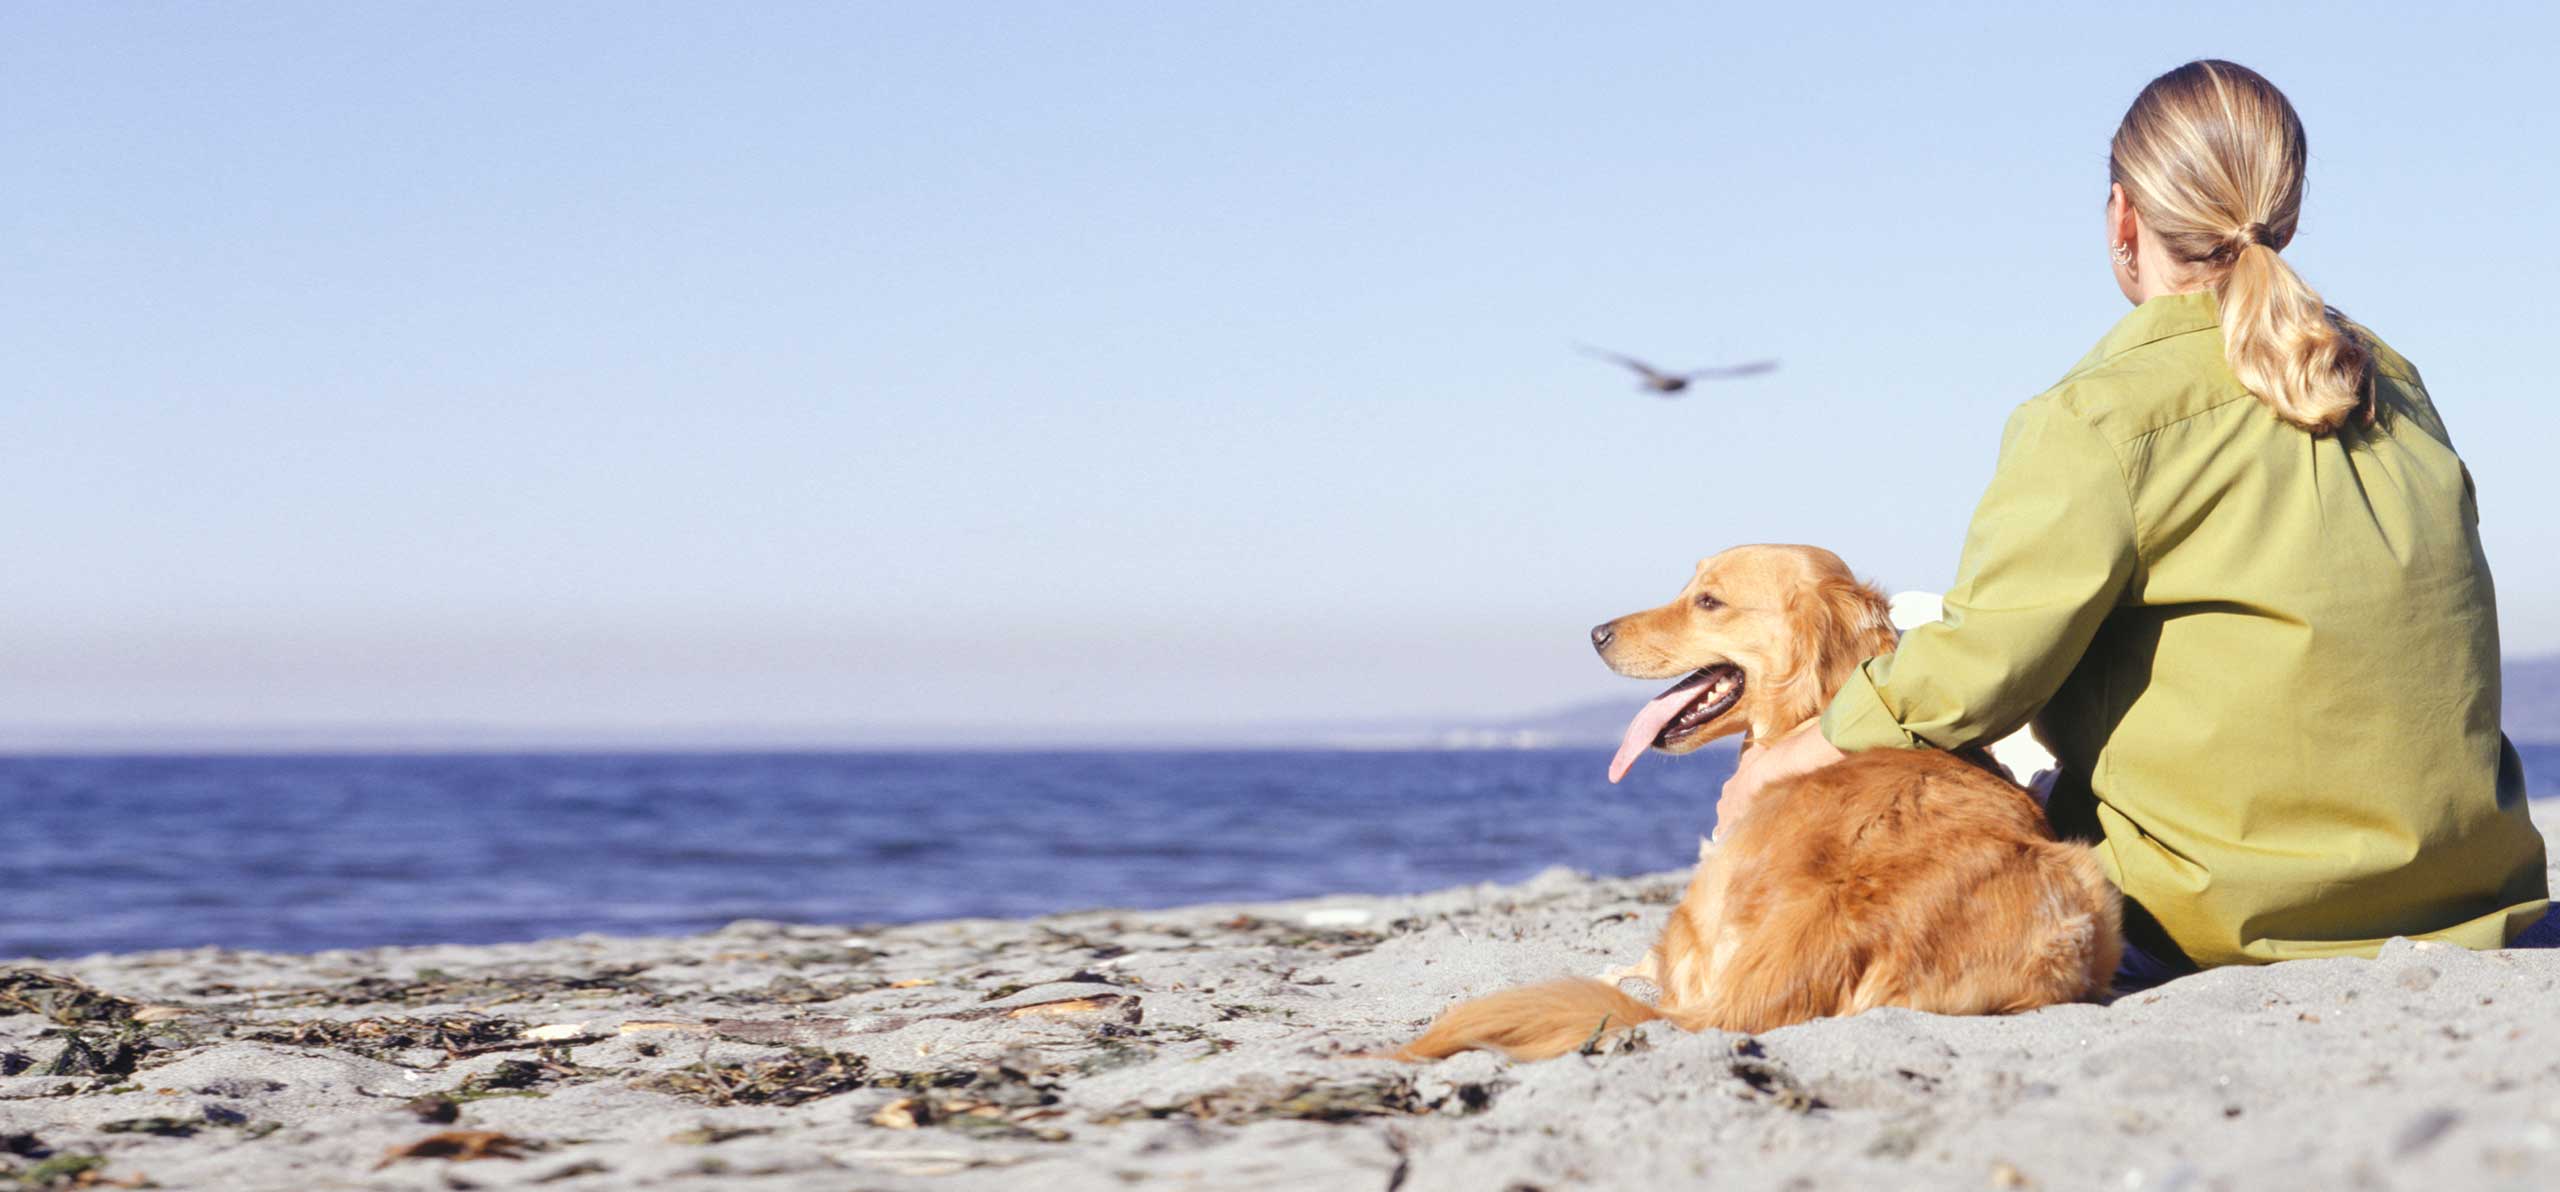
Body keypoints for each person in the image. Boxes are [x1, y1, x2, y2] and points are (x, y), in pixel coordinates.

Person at [1722, 60, 2549, 985]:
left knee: (1943, 670)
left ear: (2124, 218)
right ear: (2289, 212)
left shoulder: (2097, 415)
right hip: (2476, 897)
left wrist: (1790, 756)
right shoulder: (2390, 377)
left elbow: (1977, 672)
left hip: (2222, 918)